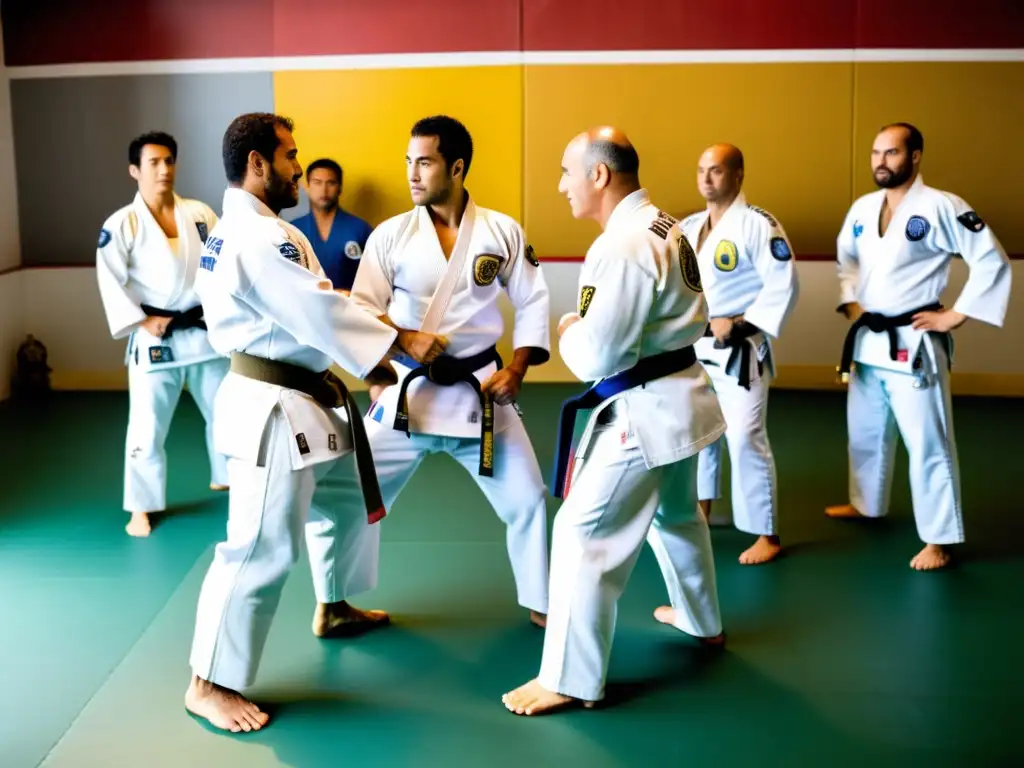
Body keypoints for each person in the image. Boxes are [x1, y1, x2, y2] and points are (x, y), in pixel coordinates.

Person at [183, 112, 433, 733]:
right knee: (258, 546)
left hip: (301, 400)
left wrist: (374, 353)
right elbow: (313, 306)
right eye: (291, 156)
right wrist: (390, 349)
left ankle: (335, 603)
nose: (300, 168)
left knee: (348, 499)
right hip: (274, 409)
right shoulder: (262, 235)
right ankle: (208, 680)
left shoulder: (241, 230)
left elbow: (312, 301)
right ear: (258, 163)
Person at [502, 127, 727, 716]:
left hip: (646, 412)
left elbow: (602, 355)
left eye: (565, 171)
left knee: (581, 535)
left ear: (598, 175)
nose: (560, 184)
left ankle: (570, 679)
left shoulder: (623, 244)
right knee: (678, 519)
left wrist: (570, 331)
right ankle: (702, 621)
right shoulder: (663, 223)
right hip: (681, 401)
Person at [350, 115, 552, 627]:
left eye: (425, 162)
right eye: (408, 162)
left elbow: (532, 300)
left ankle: (543, 604)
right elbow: (360, 308)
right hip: (407, 398)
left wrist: (520, 368)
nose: (412, 174)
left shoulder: (501, 230)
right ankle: (334, 603)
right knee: (351, 492)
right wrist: (392, 350)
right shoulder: (391, 235)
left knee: (528, 498)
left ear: (456, 167)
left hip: (480, 394)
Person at [826, 122, 1011, 571]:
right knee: (866, 432)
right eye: (875, 153)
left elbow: (991, 259)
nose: (881, 162)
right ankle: (866, 503)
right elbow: (846, 259)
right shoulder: (863, 208)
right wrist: (850, 301)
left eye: (891, 153)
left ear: (915, 157)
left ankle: (940, 538)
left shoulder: (943, 206)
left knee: (928, 440)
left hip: (915, 341)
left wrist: (955, 315)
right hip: (870, 341)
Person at [96, 131, 229, 538]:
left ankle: (231, 476)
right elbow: (110, 280)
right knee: (147, 427)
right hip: (157, 338)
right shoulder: (122, 223)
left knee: (227, 413)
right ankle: (142, 506)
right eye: (153, 162)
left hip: (203, 332)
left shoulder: (201, 214)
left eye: (169, 161)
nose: (164, 169)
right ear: (135, 170)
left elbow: (224, 263)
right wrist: (140, 322)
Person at [680, 143, 799, 565]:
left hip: (740, 349)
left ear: (738, 175)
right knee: (701, 436)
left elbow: (783, 283)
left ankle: (766, 532)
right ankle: (704, 508)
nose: (706, 178)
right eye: (700, 170)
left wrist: (741, 323)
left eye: (715, 170)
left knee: (745, 435)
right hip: (695, 347)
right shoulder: (690, 226)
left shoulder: (758, 225)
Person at [289, 158, 373, 295]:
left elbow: (376, 279)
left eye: (331, 183)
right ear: (307, 187)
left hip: (352, 308)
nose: (324, 190)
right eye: (317, 183)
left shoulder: (360, 229)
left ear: (340, 187)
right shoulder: (293, 230)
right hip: (305, 308)